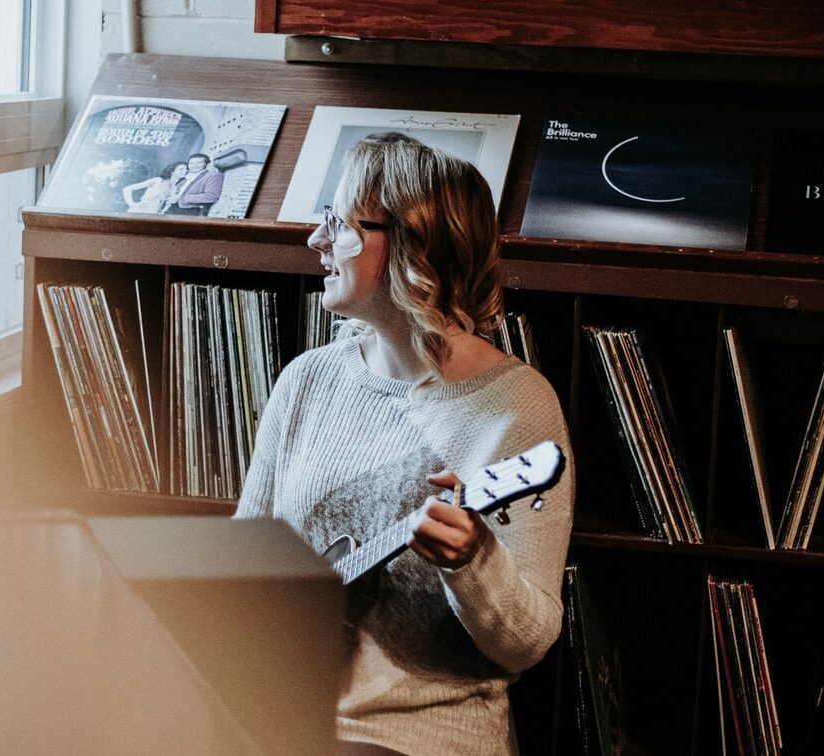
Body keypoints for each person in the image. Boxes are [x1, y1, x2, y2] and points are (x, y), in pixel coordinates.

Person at [235, 133, 574, 756]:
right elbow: (244, 561)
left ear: (413, 246)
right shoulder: (307, 380)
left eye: (337, 223)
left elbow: (529, 642)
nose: (316, 240)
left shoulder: (516, 408)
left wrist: (473, 563)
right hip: (282, 714)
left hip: (416, 734)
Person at [122, 160, 188, 214]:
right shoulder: (157, 180)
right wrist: (131, 204)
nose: (185, 171)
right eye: (181, 169)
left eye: (186, 169)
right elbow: (127, 189)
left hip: (154, 215)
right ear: (172, 171)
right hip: (139, 211)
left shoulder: (176, 187)